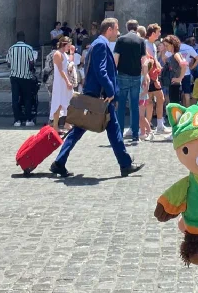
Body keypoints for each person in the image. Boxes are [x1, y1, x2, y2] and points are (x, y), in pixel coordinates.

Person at [49, 18, 141, 178]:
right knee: (106, 129)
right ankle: (125, 164)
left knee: (86, 128)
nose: (118, 32)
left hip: (96, 94)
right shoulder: (101, 45)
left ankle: (59, 162)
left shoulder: (98, 44)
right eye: (116, 29)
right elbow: (101, 71)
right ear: (109, 29)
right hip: (99, 96)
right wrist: (110, 92)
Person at [114, 20, 146, 142]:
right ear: (137, 28)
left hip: (122, 75)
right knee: (134, 106)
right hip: (136, 76)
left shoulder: (121, 40)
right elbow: (144, 61)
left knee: (121, 105)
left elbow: (116, 59)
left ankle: (119, 133)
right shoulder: (141, 41)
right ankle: (135, 134)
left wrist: (113, 75)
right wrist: (145, 76)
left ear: (127, 28)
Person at [6, 32, 37, 128]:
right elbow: (31, 62)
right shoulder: (28, 48)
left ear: (17, 38)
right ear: (24, 38)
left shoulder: (11, 48)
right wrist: (30, 69)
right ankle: (28, 119)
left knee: (15, 98)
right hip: (26, 76)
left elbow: (8, 63)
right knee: (27, 98)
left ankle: (17, 120)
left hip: (14, 76)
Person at [49, 36, 76, 132]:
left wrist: (72, 52)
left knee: (68, 101)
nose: (69, 47)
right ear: (64, 44)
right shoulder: (57, 54)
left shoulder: (64, 54)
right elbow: (60, 70)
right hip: (60, 82)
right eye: (68, 45)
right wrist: (67, 81)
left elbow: (69, 62)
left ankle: (66, 123)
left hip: (65, 81)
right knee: (58, 103)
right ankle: (55, 126)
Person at [178, 37, 198, 107]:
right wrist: (191, 68)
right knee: (187, 92)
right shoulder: (189, 48)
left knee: (176, 92)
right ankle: (187, 108)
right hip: (186, 72)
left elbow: (165, 57)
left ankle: (179, 108)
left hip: (176, 73)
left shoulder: (174, 46)